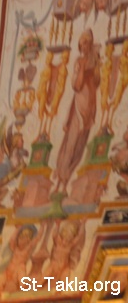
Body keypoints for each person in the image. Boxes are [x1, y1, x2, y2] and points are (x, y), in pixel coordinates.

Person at [54, 29, 101, 192]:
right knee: (71, 144)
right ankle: (60, 180)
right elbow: (76, 85)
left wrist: (96, 66)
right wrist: (82, 68)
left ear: (90, 44)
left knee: (80, 147)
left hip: (90, 108)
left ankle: (65, 182)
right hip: (79, 107)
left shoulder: (95, 61)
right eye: (82, 44)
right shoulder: (79, 62)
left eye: (86, 43)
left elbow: (97, 82)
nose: (84, 46)